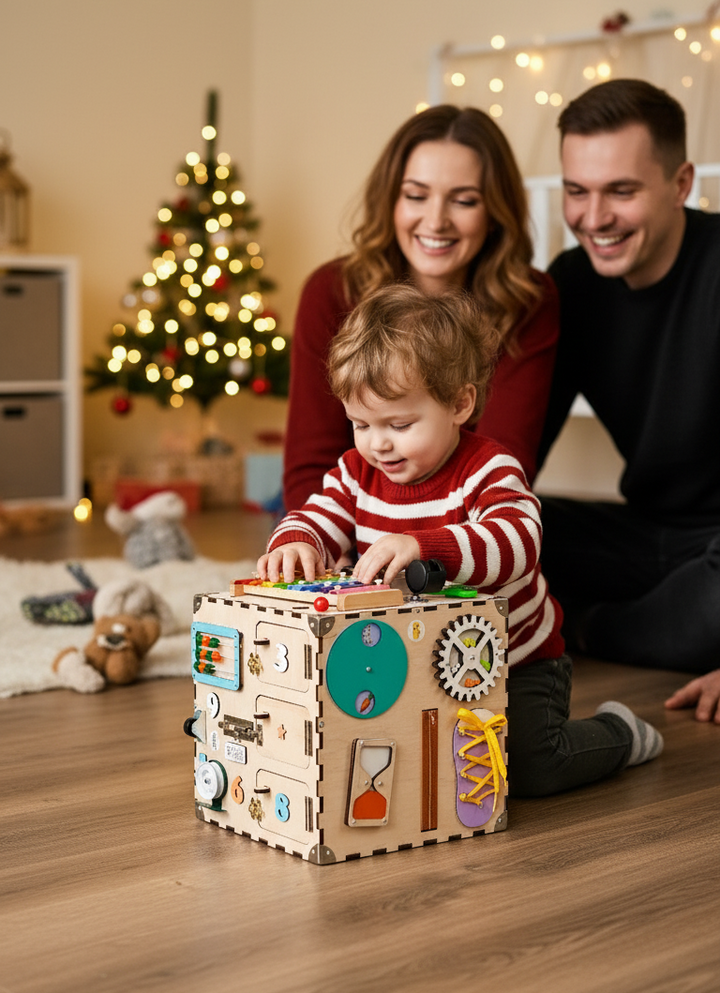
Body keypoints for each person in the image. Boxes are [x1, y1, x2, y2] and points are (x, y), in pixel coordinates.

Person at [261, 285, 663, 797]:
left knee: (530, 768)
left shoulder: (488, 468)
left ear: (459, 403)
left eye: (400, 424)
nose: (378, 442)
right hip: (421, 662)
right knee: (410, 756)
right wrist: (296, 539)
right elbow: (319, 513)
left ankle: (621, 734)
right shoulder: (356, 470)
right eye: (360, 423)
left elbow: (520, 542)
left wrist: (425, 545)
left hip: (516, 658)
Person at [537, 78, 720, 724]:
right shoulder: (569, 283)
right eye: (577, 191)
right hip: (647, 535)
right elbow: (518, 455)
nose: (594, 217)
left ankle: (583, 628)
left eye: (621, 190)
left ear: (680, 184)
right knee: (518, 527)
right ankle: (637, 627)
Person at [283, 104, 559, 513]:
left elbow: (506, 468)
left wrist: (419, 551)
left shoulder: (528, 300)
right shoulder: (332, 292)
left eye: (463, 201)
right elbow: (310, 469)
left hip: (464, 533)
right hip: (347, 527)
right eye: (416, 196)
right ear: (391, 201)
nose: (436, 220)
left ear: (495, 213)